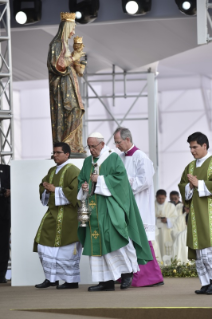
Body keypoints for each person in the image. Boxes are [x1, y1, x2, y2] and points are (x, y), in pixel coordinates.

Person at [77, 132, 153, 292]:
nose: (91, 150)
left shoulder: (113, 158)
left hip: (110, 207)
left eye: (94, 147)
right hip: (93, 209)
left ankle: (127, 273)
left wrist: (100, 180)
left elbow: (121, 180)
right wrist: (84, 186)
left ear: (102, 145)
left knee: (117, 238)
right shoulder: (86, 162)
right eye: (89, 147)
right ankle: (105, 281)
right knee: (97, 244)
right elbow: (82, 180)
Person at [113, 127, 163, 287]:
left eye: (118, 142)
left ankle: (151, 277)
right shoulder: (120, 157)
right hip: (124, 205)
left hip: (139, 205)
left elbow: (146, 181)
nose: (117, 146)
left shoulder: (141, 157)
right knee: (126, 241)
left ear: (127, 139)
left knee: (140, 240)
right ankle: (127, 275)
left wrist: (124, 182)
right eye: (115, 143)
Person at [33, 142, 81, 289]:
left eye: (58, 152)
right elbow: (44, 185)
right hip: (53, 213)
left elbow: (76, 192)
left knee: (67, 249)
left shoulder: (74, 171)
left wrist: (56, 189)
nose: (54, 155)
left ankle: (71, 281)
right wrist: (46, 190)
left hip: (69, 215)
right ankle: (51, 278)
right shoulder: (52, 170)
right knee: (43, 245)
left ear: (67, 154)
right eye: (53, 153)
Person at [47, 12, 86, 154]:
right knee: (71, 111)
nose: (73, 32)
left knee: (76, 111)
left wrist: (78, 60)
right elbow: (57, 65)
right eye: (72, 28)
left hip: (70, 85)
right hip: (62, 87)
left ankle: (73, 144)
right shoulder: (57, 44)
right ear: (67, 27)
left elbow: (77, 69)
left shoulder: (65, 45)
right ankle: (66, 144)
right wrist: (73, 57)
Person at [178, 132, 212, 295]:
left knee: (209, 251)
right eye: (190, 147)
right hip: (195, 215)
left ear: (204, 146)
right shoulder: (190, 167)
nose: (192, 150)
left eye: (195, 147)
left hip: (209, 216)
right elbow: (182, 185)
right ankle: (205, 283)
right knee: (199, 253)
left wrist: (199, 183)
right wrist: (189, 187)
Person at [155, 190, 178, 257]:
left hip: (166, 232)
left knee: (166, 250)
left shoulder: (171, 206)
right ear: (156, 197)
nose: (161, 200)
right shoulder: (151, 205)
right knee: (156, 247)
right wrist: (156, 218)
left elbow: (176, 219)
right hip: (155, 231)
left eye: (163, 198)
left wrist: (167, 220)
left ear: (166, 197)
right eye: (159, 198)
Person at [0, 164, 10, 283]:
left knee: (3, 244)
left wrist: (10, 191)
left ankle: (1, 274)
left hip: (3, 213)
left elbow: (16, 185)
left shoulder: (6, 169)